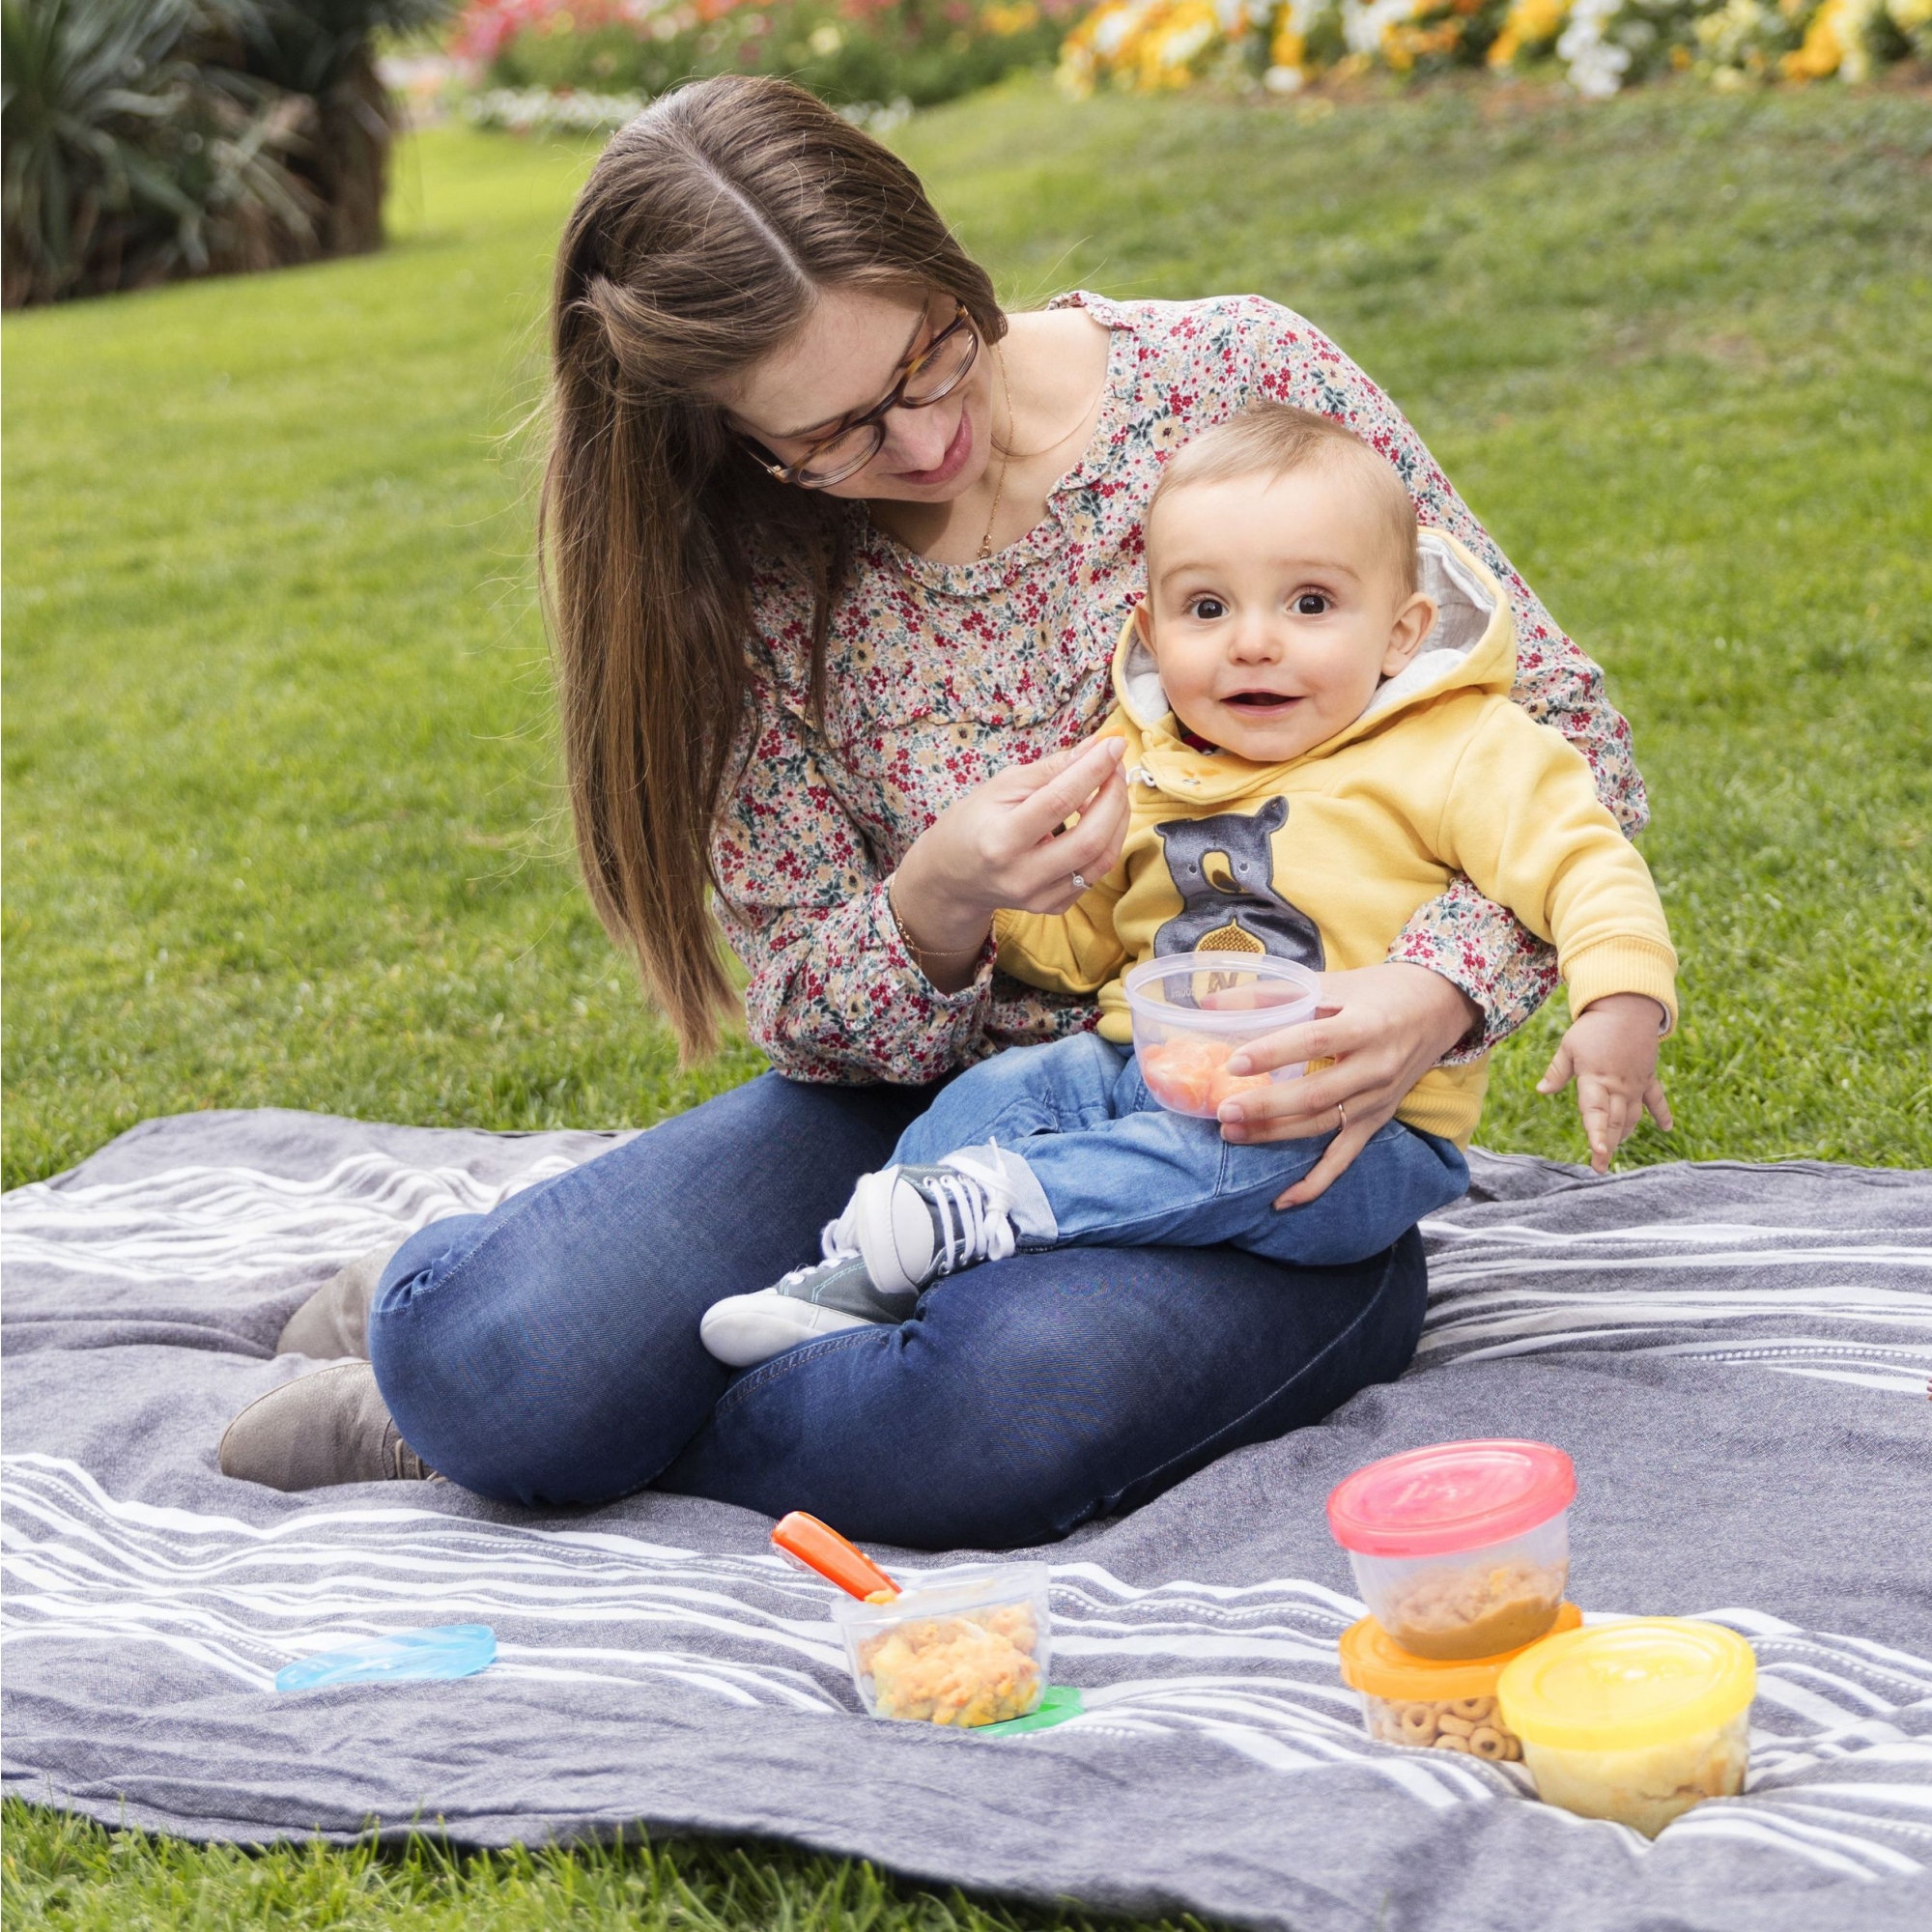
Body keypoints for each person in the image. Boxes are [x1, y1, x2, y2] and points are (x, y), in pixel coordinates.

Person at [216, 75, 1652, 1550]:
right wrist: (937, 903)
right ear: (724, 436)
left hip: (1278, 1149)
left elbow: (1565, 740)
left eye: (929, 359)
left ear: (946, 258)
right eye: (828, 433)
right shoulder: (743, 563)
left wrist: (1439, 991)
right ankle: (495, 1383)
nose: (917, 445)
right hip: (934, 1112)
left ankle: (565, 1428)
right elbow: (797, 1000)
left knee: (1002, 1400)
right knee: (499, 1361)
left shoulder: (1239, 378)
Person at [697, 403, 1676, 1368]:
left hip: (1349, 1128)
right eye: (1206, 609)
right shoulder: (1143, 762)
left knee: (1244, 1152)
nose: (1252, 642)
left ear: (1399, 631)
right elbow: (1080, 943)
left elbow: (1584, 861)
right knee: (1006, 1087)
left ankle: (993, 1210)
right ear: (1153, 629)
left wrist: (1621, 997)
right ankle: (864, 1267)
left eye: (1308, 603)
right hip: (1143, 1072)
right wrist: (1007, 889)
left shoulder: (1459, 749)